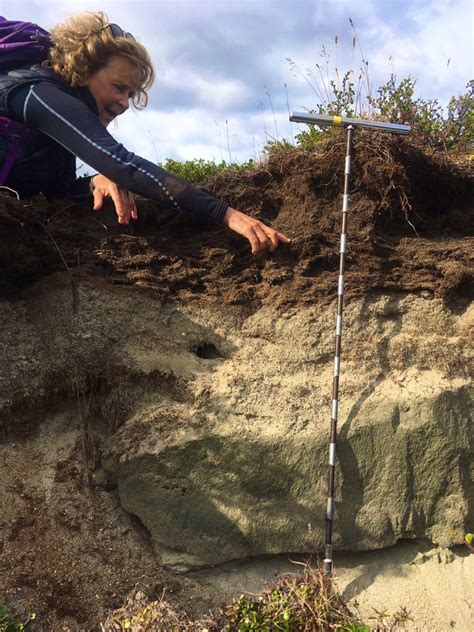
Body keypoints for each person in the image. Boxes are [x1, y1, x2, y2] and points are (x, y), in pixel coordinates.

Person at [0, 11, 290, 255]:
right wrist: (227, 214)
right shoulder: (37, 93)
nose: (124, 103)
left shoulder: (54, 131)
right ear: (83, 69)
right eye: (118, 87)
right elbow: (124, 164)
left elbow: (57, 192)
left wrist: (93, 183)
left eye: (131, 93)